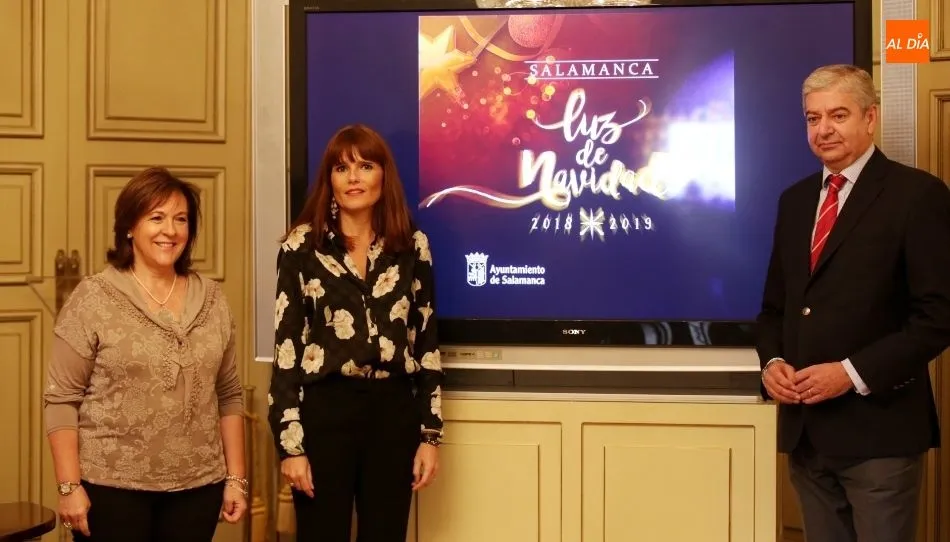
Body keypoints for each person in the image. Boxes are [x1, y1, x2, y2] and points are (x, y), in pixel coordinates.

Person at [756, 64, 950, 542]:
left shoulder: (918, 195)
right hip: (806, 435)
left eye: (837, 115)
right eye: (812, 118)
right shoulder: (795, 201)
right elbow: (775, 309)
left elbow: (938, 316)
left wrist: (850, 373)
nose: (823, 130)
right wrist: (773, 360)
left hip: (879, 435)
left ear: (870, 118)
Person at [43, 167, 248, 541]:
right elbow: (61, 400)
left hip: (199, 487)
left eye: (181, 219)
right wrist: (69, 488)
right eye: (156, 218)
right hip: (112, 489)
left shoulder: (213, 299)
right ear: (129, 227)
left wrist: (236, 479)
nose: (170, 230)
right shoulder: (93, 299)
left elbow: (230, 395)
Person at [268, 123, 444, 542]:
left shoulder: (412, 246)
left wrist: (430, 436)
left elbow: (427, 343)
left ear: (383, 176)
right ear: (329, 179)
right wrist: (291, 447)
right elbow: (286, 352)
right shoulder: (300, 249)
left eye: (365, 166)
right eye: (341, 168)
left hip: (393, 413)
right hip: (326, 411)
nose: (353, 178)